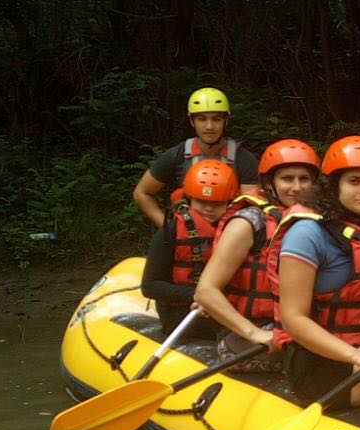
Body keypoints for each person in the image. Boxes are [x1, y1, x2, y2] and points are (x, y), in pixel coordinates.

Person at [271, 135, 360, 407]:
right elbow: (293, 319)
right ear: (334, 185)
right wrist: (353, 356)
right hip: (318, 365)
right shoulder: (307, 233)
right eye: (354, 181)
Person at [192, 139, 319, 370]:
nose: (297, 187)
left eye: (304, 179)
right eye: (287, 178)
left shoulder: (315, 220)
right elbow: (205, 291)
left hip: (301, 326)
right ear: (270, 183)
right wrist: (255, 333)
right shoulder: (249, 222)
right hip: (250, 333)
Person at [131, 86, 260, 226]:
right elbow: (142, 192)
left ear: (225, 121)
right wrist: (167, 229)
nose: (209, 126)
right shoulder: (177, 154)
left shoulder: (243, 158)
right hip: (189, 236)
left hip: (229, 234)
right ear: (192, 121)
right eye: (202, 119)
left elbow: (251, 208)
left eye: (216, 119)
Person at [140, 158, 239, 338]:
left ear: (229, 203)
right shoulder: (169, 232)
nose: (208, 209)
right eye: (201, 202)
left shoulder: (240, 229)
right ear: (189, 200)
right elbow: (150, 286)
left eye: (217, 204)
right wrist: (201, 296)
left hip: (226, 306)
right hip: (184, 312)